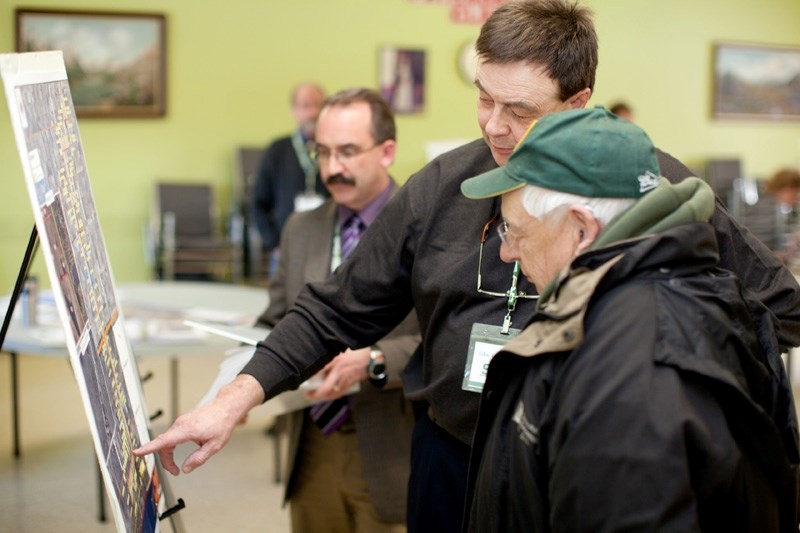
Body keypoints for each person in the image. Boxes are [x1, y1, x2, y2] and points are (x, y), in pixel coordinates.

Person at [136, 1, 800, 531]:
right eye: (484, 96)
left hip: (578, 465)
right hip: (450, 456)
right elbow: (335, 306)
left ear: (578, 101)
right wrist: (233, 400)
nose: (494, 125)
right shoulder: (440, 187)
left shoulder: (657, 187)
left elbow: (777, 310)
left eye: (520, 110)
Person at [460, 106, 800, 531]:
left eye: (515, 231)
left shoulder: (636, 369)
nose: (505, 252)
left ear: (581, 230)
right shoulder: (627, 306)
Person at [256, 88, 419, 532]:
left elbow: (443, 338)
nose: (332, 169)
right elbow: (276, 318)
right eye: (323, 152)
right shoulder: (301, 228)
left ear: (387, 151)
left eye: (347, 152)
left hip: (392, 441)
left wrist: (376, 360)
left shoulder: (425, 229)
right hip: (311, 439)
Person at [251, 82, 328, 276]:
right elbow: (257, 203)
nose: (312, 112)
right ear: (294, 111)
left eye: (318, 105)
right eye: (305, 105)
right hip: (285, 251)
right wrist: (274, 243)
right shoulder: (278, 149)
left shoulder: (332, 150)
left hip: (325, 250)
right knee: (283, 304)